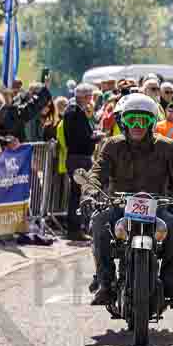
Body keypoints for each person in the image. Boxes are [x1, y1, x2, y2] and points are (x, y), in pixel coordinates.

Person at [81, 93, 173, 304]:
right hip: (119, 205)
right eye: (132, 119)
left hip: (158, 207)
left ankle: (170, 282)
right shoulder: (111, 145)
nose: (137, 125)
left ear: (152, 123)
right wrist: (89, 193)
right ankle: (105, 282)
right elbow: (96, 172)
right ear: (122, 121)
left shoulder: (167, 146)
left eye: (143, 119)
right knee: (99, 221)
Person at [63, 83, 99, 241]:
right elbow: (79, 138)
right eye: (90, 96)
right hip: (78, 157)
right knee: (76, 194)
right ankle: (74, 229)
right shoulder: (74, 112)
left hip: (80, 157)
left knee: (81, 193)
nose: (92, 99)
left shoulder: (77, 111)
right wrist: (95, 138)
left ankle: (80, 227)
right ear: (84, 96)